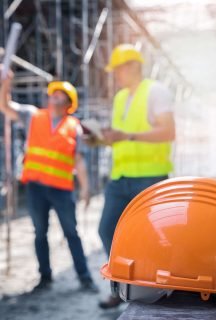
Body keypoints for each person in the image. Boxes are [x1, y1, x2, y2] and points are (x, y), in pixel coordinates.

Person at [87, 44, 175, 309]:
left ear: (133, 66)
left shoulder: (155, 92)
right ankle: (121, 286)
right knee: (107, 230)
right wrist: (100, 141)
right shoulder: (120, 98)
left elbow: (168, 132)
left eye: (117, 69)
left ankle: (155, 290)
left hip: (149, 179)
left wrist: (127, 136)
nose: (114, 75)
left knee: (151, 237)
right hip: (120, 178)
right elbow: (121, 139)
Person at [0, 68, 97, 292]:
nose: (55, 97)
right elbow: (5, 106)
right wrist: (6, 82)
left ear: (68, 102)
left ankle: (85, 278)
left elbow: (79, 160)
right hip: (36, 188)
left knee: (71, 233)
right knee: (40, 233)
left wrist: (85, 188)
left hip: (62, 190)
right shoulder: (33, 116)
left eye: (60, 94)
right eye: (53, 94)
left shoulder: (74, 127)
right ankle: (45, 278)